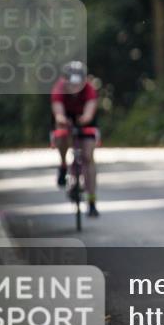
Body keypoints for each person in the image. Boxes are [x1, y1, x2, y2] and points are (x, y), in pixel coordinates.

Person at [50, 61, 100, 217]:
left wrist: (84, 119)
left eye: (78, 83)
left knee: (88, 157)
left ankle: (92, 201)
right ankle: (63, 164)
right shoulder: (58, 89)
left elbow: (89, 112)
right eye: (71, 83)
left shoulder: (90, 89)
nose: (75, 87)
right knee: (61, 136)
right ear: (65, 80)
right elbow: (58, 112)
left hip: (84, 119)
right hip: (66, 117)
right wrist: (63, 120)